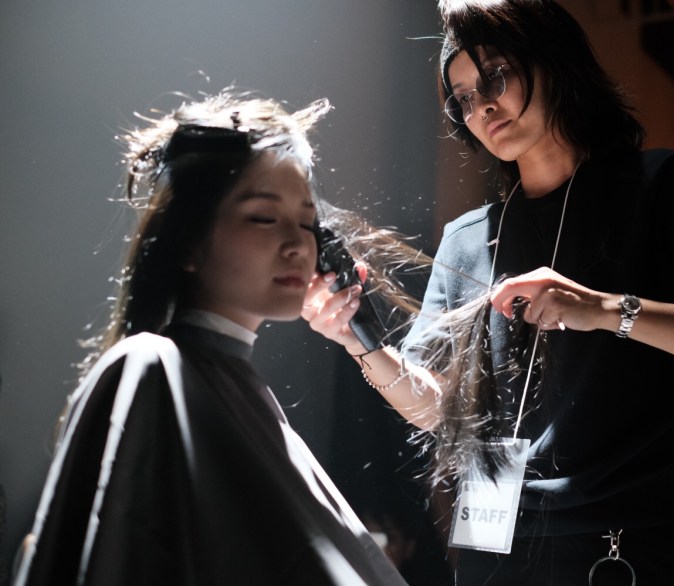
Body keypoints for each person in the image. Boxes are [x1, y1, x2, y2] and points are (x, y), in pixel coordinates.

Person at [304, 1, 674, 583]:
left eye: (496, 77)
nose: (482, 106)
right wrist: (359, 339)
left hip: (627, 546)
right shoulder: (467, 239)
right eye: (463, 98)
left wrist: (605, 309)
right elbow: (439, 410)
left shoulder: (660, 187)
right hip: (496, 550)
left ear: (554, 62)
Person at [12, 93, 405, 586]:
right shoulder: (154, 368)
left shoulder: (234, 390)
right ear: (190, 240)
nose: (296, 244)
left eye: (307, 223)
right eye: (263, 217)